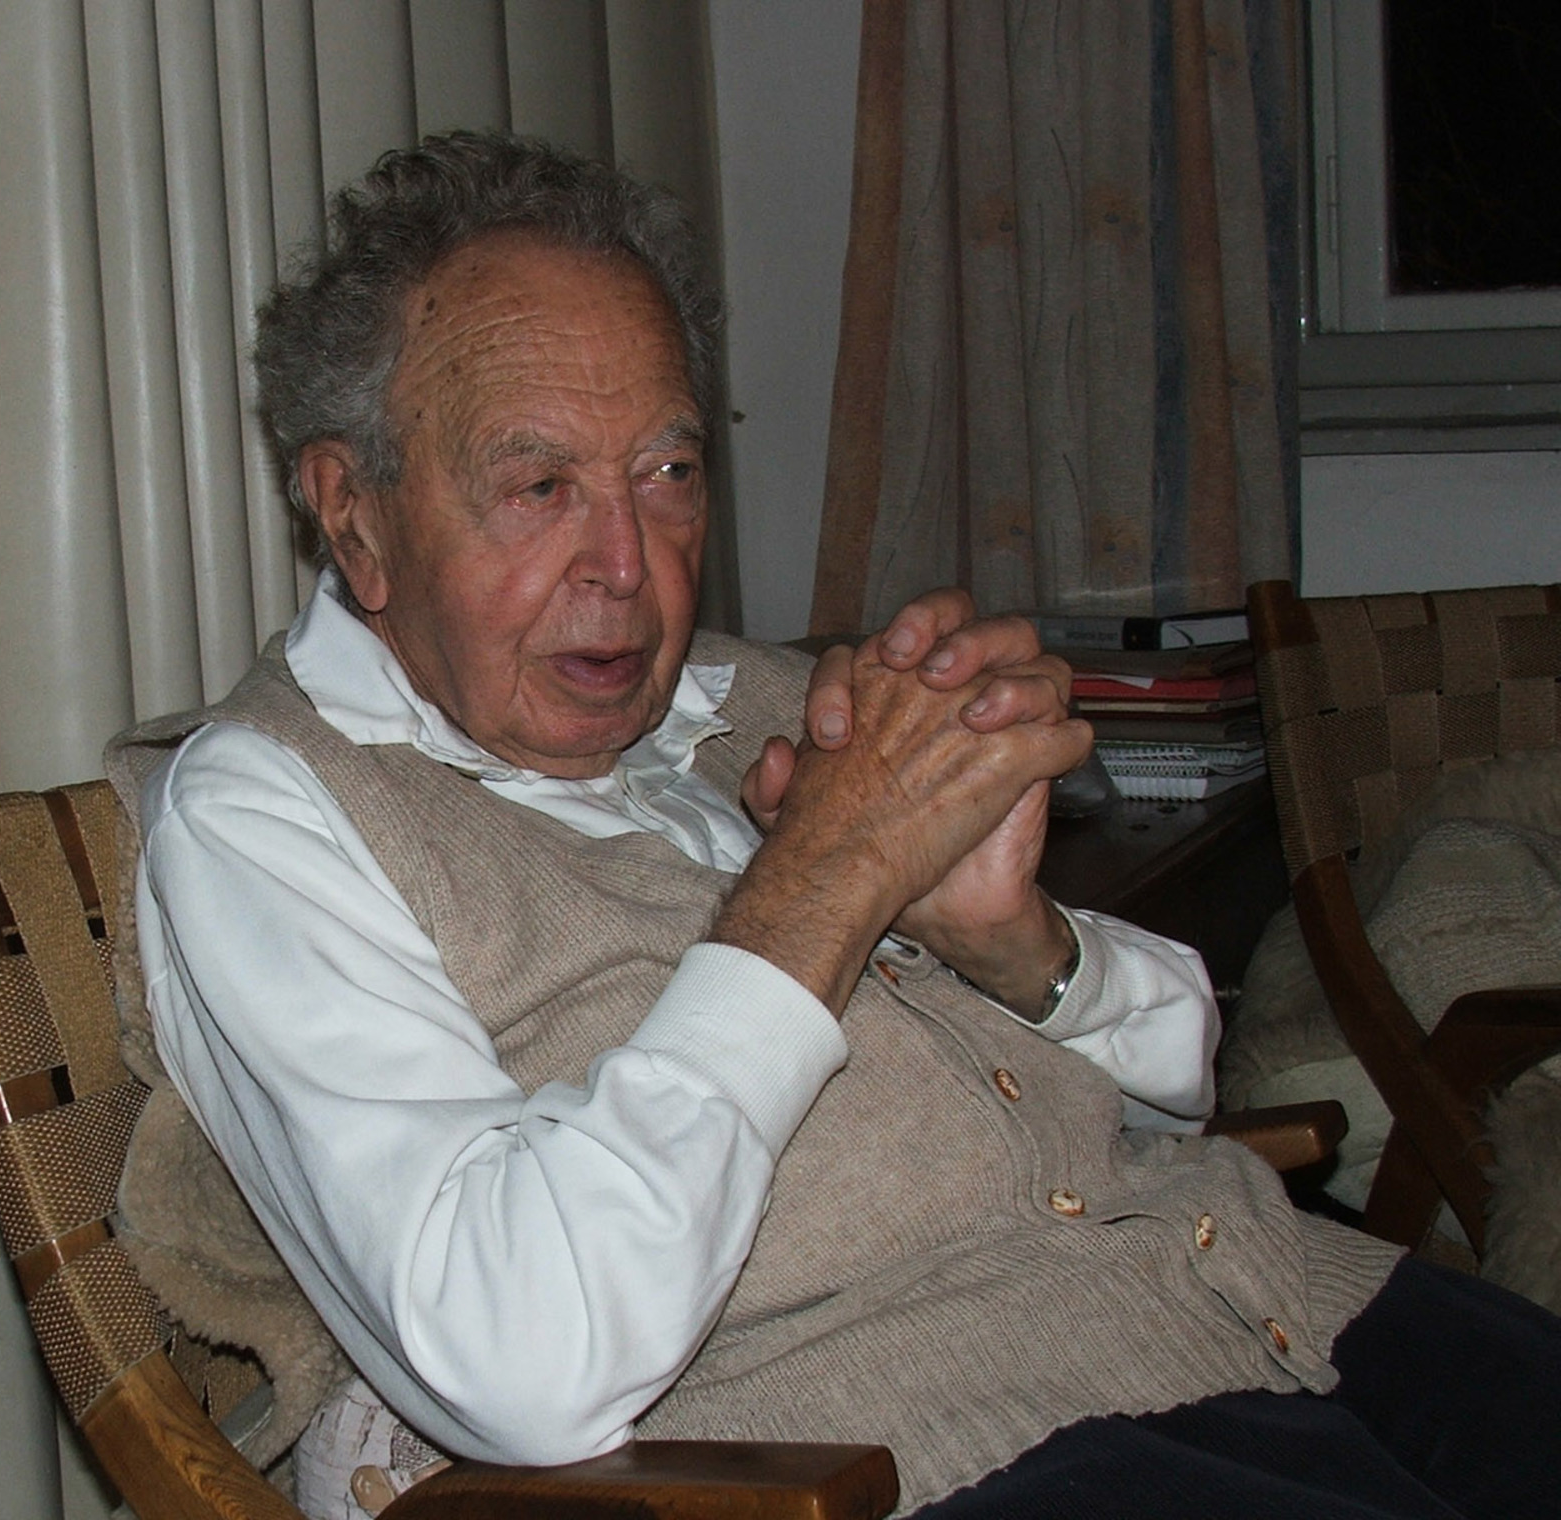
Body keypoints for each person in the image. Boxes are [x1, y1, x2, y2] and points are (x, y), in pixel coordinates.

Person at [126, 132, 1559, 1518]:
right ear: (354, 514)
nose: (626, 566)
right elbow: (518, 1362)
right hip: (939, 1449)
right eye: (540, 485)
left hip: (1266, 1296)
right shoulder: (269, 815)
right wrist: (827, 877)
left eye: (668, 474)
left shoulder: (757, 701)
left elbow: (1182, 1072)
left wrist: (1010, 944)